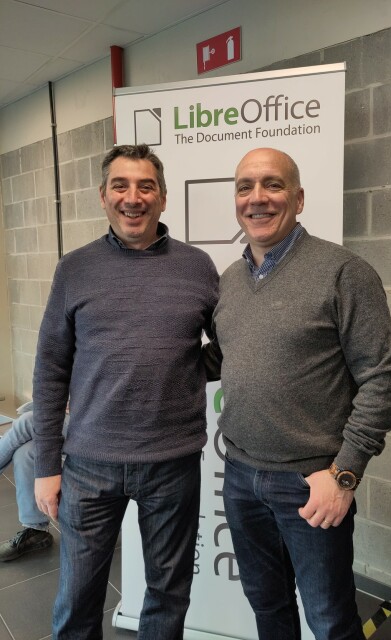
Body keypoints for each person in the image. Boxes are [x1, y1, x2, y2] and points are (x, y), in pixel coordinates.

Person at [210, 148, 391, 640]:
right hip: (239, 477)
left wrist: (344, 473)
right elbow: (227, 357)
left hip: (311, 483)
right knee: (267, 606)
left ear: (298, 198)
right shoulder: (230, 280)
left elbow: (383, 378)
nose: (257, 198)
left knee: (330, 619)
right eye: (245, 187)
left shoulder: (344, 272)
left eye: (272, 185)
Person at [33, 144, 219, 640]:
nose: (132, 198)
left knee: (167, 594)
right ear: (103, 196)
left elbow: (230, 344)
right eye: (121, 186)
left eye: (145, 186)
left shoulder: (198, 266)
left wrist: (182, 371)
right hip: (89, 465)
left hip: (173, 464)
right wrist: (48, 465)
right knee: (77, 599)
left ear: (162, 198)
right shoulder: (74, 269)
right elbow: (51, 370)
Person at [0, 404, 69, 561]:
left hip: (104, 422)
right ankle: (36, 530)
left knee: (28, 421)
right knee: (27, 452)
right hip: (72, 411)